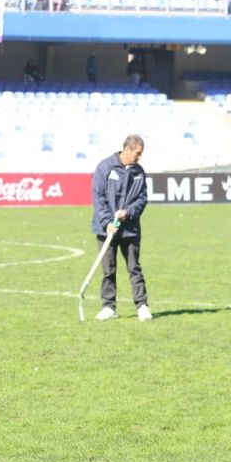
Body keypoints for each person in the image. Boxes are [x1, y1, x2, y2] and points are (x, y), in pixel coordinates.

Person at [92, 134, 152, 322]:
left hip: (130, 230)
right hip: (106, 230)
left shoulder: (138, 172)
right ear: (127, 149)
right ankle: (109, 306)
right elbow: (98, 197)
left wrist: (129, 212)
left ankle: (142, 305)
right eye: (137, 153)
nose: (139, 157)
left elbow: (142, 199)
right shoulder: (105, 167)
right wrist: (107, 222)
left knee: (134, 268)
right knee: (108, 270)